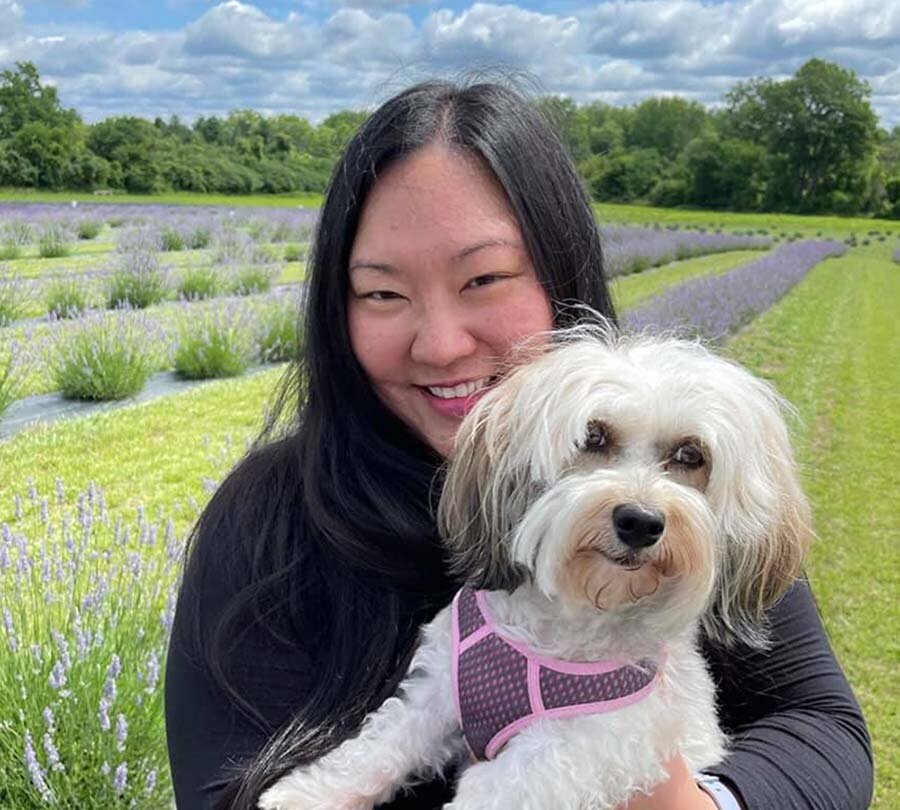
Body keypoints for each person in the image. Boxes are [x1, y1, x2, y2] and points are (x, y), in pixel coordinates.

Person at [164, 79, 874, 810]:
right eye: (382, 293)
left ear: (561, 276)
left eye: (485, 278)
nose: (440, 346)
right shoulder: (267, 524)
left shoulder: (698, 512)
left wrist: (701, 802)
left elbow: (820, 727)